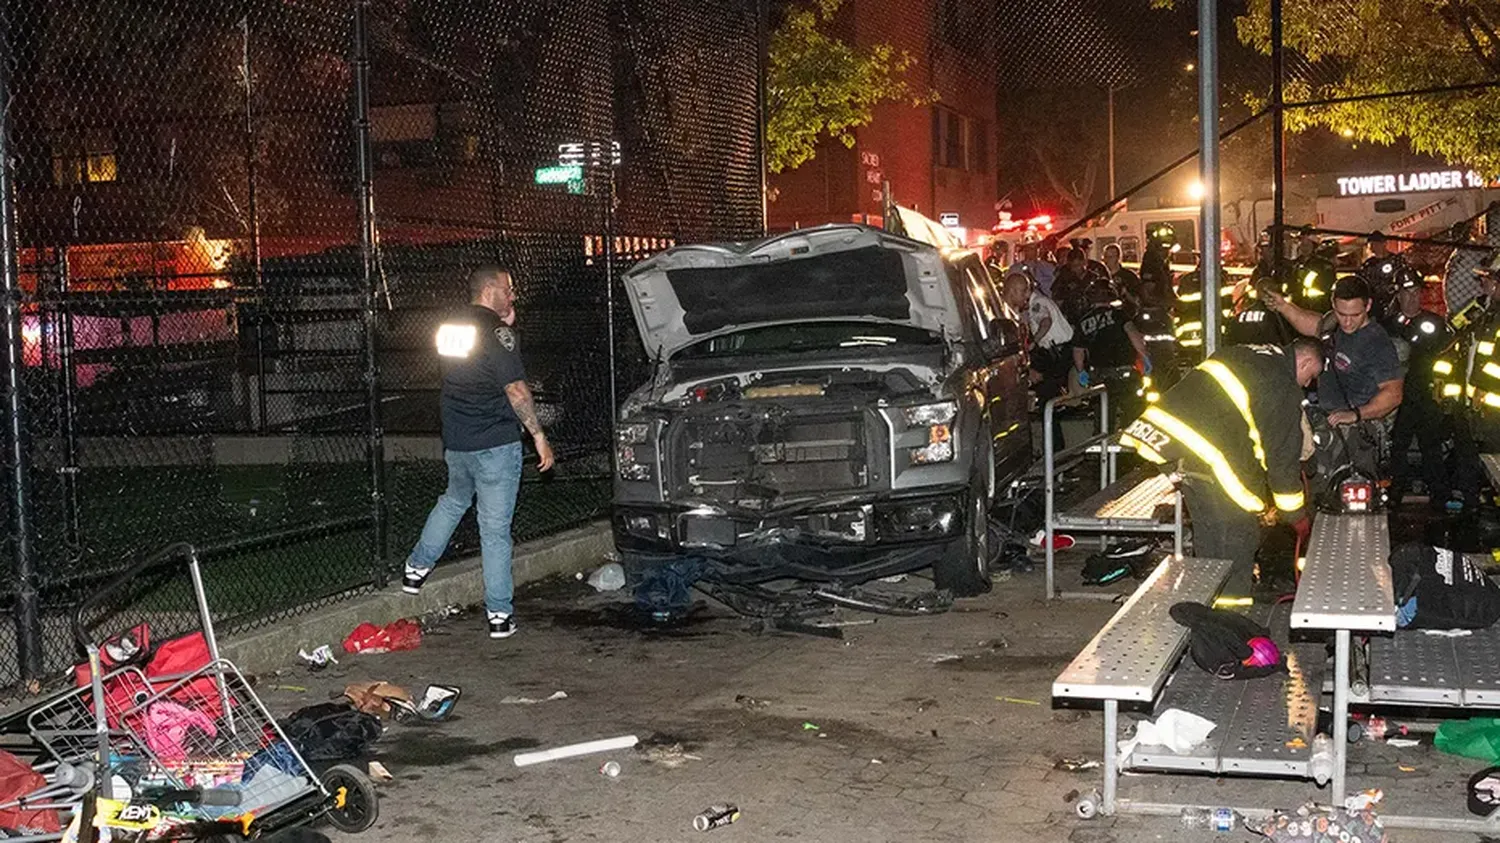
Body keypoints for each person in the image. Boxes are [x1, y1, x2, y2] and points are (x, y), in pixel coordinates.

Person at [402, 266, 556, 640]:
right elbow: (516, 390)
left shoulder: (451, 327)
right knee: (495, 530)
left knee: (453, 500)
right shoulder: (497, 333)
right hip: (495, 444)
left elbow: (469, 370)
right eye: (508, 289)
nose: (513, 294)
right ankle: (499, 615)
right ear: (490, 291)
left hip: (457, 440)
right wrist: (538, 436)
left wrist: (507, 330)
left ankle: (415, 569)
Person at [1120, 340, 1322, 595]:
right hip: (1209, 453)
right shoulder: (1282, 384)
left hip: (1177, 445)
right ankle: (1230, 619)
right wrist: (1297, 517)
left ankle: (1206, 614)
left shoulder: (1247, 351)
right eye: (1311, 376)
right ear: (1305, 362)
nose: (1307, 385)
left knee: (1212, 545)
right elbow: (1280, 461)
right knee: (1238, 541)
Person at [1266, 275, 1403, 498]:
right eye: (1341, 314)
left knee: (1350, 493)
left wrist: (1356, 415)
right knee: (1317, 487)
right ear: (1333, 305)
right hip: (1326, 422)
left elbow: (1393, 394)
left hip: (1359, 433)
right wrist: (1283, 306)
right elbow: (1312, 324)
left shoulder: (1377, 343)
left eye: (1355, 315)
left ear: (1368, 305)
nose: (1347, 322)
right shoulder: (1333, 325)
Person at [1382, 267, 1455, 510]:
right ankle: (1394, 493)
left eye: (1416, 292)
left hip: (1426, 394)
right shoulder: (1387, 325)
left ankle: (1440, 495)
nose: (1412, 298)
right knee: (1397, 446)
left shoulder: (1434, 324)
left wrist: (1442, 393)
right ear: (1398, 295)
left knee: (1431, 447)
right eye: (1407, 293)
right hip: (1396, 397)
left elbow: (1447, 360)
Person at [1004, 270, 1072, 444]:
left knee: (1047, 401)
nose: (1027, 295)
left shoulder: (1034, 305)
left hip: (1053, 352)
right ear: (1013, 290)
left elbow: (1045, 322)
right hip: (1052, 354)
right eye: (1023, 291)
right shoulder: (1008, 315)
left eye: (1028, 290)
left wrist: (1033, 343)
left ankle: (1053, 449)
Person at [1073, 280, 1150, 430]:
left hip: (1099, 377)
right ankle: (1129, 451)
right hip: (1124, 375)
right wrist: (1145, 356)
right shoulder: (1119, 315)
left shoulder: (1083, 321)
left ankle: (1102, 451)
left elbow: (1078, 351)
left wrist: (1081, 371)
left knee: (1103, 422)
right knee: (1133, 419)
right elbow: (1134, 335)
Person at [1223, 278, 1293, 347]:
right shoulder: (1279, 315)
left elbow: (1229, 341)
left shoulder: (1239, 317)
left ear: (1256, 292)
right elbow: (1287, 341)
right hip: (1271, 357)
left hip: (1242, 356)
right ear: (1272, 291)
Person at [1289, 228, 1336, 310]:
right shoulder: (1295, 264)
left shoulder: (1323, 265)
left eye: (1307, 245)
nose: (1304, 248)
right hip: (1298, 306)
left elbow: (1326, 286)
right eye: (1302, 244)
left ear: (1314, 246)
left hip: (1318, 307)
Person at [1051, 247, 1097, 323]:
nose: (1077, 268)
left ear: (1084, 262)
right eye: (1074, 266)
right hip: (1071, 320)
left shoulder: (1093, 278)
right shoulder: (1063, 279)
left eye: (1079, 265)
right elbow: (1057, 300)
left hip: (1092, 319)